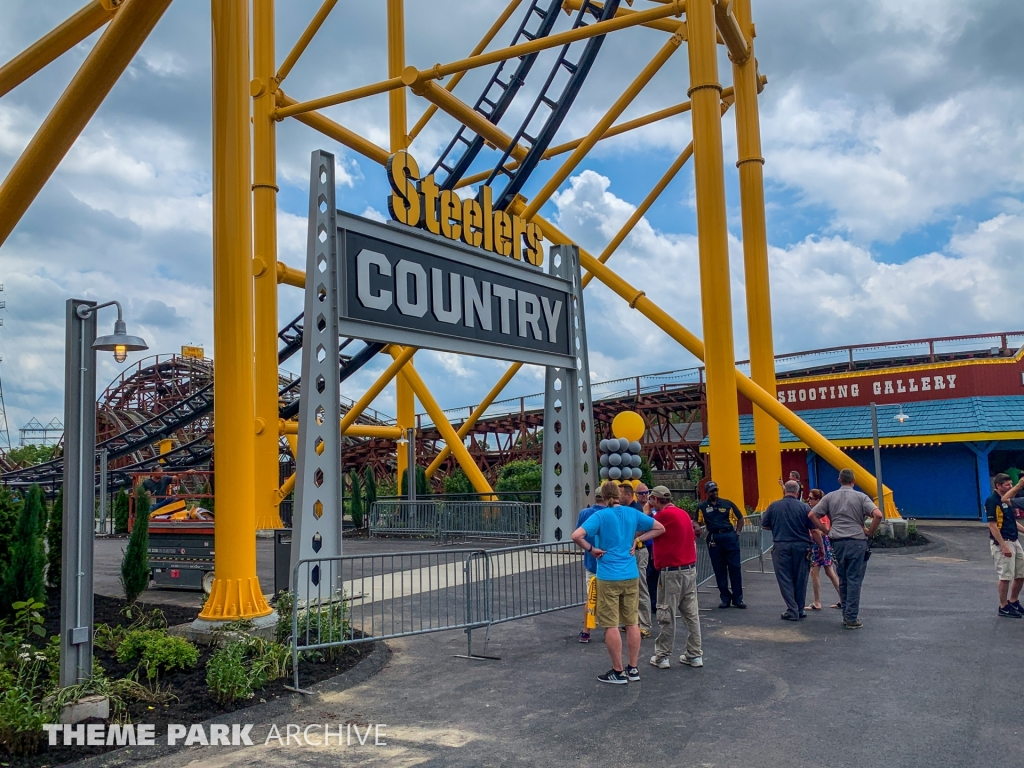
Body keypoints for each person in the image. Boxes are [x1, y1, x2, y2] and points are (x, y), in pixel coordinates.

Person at [572, 481, 665, 685]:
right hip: (630, 573)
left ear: (603, 497)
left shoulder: (601, 516)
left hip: (608, 574)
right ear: (619, 495)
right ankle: (633, 668)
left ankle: (618, 671)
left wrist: (591, 550)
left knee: (611, 624)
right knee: (632, 622)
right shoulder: (632, 513)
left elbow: (576, 535)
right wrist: (638, 540)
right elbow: (659, 528)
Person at [812, 469, 882, 629]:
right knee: (854, 579)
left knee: (843, 578)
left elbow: (812, 515)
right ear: (854, 481)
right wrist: (870, 531)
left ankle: (846, 614)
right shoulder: (861, 497)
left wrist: (825, 530)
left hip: (837, 541)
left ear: (839, 480)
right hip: (857, 541)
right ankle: (851, 618)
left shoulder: (830, 497)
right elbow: (878, 514)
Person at [646, 486, 704, 669]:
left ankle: (662, 655)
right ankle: (695, 654)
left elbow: (643, 528)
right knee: (691, 613)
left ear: (656, 499)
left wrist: (646, 511)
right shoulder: (683, 514)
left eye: (651, 499)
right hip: (689, 569)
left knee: (666, 613)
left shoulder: (663, 516)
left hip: (671, 571)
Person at [761, 481, 827, 621]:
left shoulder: (774, 506)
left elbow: (765, 525)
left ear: (785, 490)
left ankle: (792, 609)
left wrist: (778, 526)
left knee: (785, 578)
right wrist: (821, 547)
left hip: (781, 545)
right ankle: (800, 609)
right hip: (802, 546)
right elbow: (814, 530)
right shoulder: (804, 507)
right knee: (801, 578)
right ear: (798, 492)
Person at [696, 481, 746, 609]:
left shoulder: (727, 504)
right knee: (719, 569)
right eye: (711, 491)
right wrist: (698, 530)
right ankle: (725, 598)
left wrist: (737, 533)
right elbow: (695, 521)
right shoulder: (702, 507)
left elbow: (740, 518)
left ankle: (738, 598)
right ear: (707, 492)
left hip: (729, 536)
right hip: (714, 538)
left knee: (735, 568)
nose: (714, 493)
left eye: (716, 490)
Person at [987, 473, 1024, 617]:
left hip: (1014, 539)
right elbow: (992, 525)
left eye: (1011, 484)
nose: (1010, 486)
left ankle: (1013, 600)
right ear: (998, 486)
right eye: (1007, 485)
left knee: (1021, 574)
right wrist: (1003, 545)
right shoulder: (992, 501)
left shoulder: (1007, 501)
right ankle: (1003, 606)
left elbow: (1012, 521)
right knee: (1005, 576)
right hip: (1003, 541)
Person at [620, 482, 653, 637]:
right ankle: (632, 622)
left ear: (628, 495)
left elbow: (642, 530)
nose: (617, 497)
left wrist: (626, 536)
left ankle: (645, 624)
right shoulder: (625, 509)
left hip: (639, 551)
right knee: (629, 588)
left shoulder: (636, 509)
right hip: (631, 552)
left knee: (641, 588)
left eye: (620, 494)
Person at [804, 489, 842, 611]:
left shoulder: (819, 513)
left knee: (815, 572)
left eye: (811, 498)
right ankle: (843, 598)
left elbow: (823, 530)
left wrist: (812, 533)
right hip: (823, 542)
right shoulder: (822, 512)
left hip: (818, 542)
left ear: (818, 500)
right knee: (829, 571)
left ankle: (817, 602)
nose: (808, 500)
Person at [576, 495, 608, 643]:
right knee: (609, 599)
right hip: (608, 562)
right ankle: (609, 630)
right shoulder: (611, 513)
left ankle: (586, 631)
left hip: (591, 561)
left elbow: (578, 535)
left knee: (591, 597)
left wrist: (590, 549)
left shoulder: (585, 513)